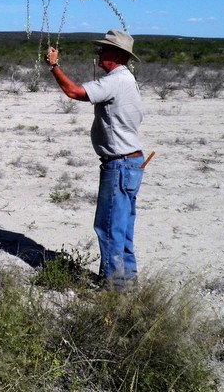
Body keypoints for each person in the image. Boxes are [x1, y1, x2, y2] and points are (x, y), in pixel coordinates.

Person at [44, 29, 145, 288]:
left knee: (109, 226)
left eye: (103, 49)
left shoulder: (116, 80)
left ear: (118, 55)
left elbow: (75, 93)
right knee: (121, 228)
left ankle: (115, 289)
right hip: (130, 163)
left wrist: (54, 66)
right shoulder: (127, 80)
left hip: (120, 165)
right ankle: (126, 282)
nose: (98, 53)